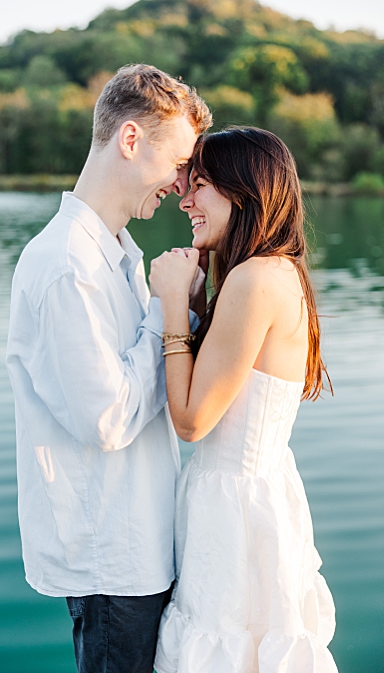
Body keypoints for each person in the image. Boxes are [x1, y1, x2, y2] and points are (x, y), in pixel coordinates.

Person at [5, 64, 212, 673]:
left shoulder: (118, 255)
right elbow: (107, 418)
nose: (181, 186)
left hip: (141, 542)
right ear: (130, 140)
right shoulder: (66, 266)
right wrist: (167, 313)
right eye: (177, 164)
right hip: (111, 556)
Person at [150, 127, 337, 671]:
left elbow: (191, 421)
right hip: (251, 497)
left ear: (243, 191)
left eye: (200, 185)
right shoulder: (277, 271)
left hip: (235, 517)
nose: (185, 199)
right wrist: (196, 297)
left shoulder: (255, 279)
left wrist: (169, 308)